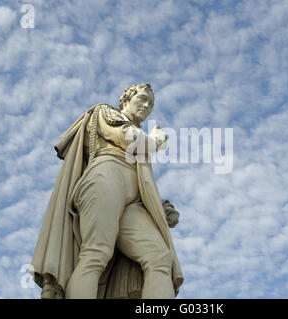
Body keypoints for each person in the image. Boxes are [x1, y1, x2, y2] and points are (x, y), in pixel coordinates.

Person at [31, 83, 183, 299]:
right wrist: (157, 140)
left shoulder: (142, 139)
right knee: (96, 253)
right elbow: (129, 139)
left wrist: (160, 206)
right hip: (106, 176)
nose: (147, 106)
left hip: (133, 199)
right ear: (126, 100)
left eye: (151, 104)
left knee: (160, 259)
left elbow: (142, 179)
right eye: (142, 99)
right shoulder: (105, 112)